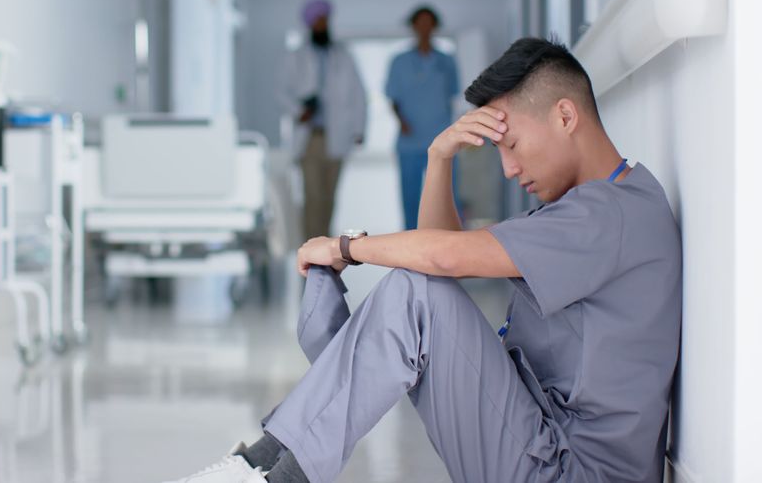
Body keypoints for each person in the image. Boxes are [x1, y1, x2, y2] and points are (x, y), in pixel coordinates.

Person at [164, 38, 682, 483]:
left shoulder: (608, 214)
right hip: (542, 439)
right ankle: (265, 466)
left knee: (418, 291)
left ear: (565, 115)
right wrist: (439, 157)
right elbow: (439, 257)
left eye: (514, 145)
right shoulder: (591, 205)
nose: (508, 169)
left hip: (569, 468)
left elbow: (443, 256)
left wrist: (346, 247)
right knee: (416, 292)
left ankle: (269, 472)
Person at [280, 0, 367, 240]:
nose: (323, 24)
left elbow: (358, 94)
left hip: (337, 135)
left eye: (325, 20)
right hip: (310, 137)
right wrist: (300, 110)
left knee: (329, 195)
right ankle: (310, 246)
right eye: (318, 20)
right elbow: (282, 93)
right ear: (309, 24)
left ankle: (324, 242)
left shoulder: (343, 56)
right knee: (313, 195)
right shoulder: (296, 56)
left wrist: (359, 130)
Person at [385, 6, 460, 230]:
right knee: (410, 197)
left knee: (446, 194)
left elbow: (453, 95)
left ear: (435, 26)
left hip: (441, 135)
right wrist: (402, 122)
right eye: (420, 22)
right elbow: (393, 98)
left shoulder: (446, 61)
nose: (425, 27)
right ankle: (412, 241)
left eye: (429, 22)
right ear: (414, 26)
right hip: (410, 139)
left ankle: (447, 240)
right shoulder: (399, 61)